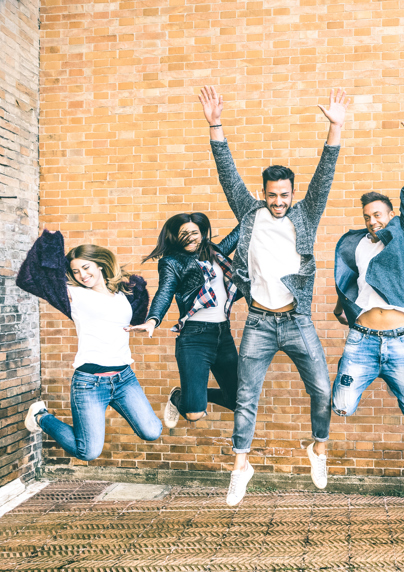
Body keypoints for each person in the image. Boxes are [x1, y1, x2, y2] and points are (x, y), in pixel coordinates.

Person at [200, 85, 349, 504]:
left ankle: (318, 448)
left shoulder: (306, 212)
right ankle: (240, 466)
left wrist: (335, 127)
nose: (278, 201)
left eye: (284, 195)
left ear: (292, 193)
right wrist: (216, 125)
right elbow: (225, 171)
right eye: (272, 195)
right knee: (246, 396)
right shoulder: (250, 214)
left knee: (322, 389)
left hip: (296, 320)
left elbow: (326, 173)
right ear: (263, 193)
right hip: (260, 322)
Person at [18, 229, 162, 460]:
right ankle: (41, 417)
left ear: (100, 265)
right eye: (76, 271)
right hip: (90, 383)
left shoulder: (124, 294)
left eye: (86, 267)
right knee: (88, 452)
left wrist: (146, 324)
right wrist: (51, 245)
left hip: (124, 378)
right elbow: (31, 278)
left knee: (152, 431)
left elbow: (135, 317)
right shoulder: (74, 294)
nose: (82, 275)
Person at [331, 117, 404, 424]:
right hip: (361, 340)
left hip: (401, 341)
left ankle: (390, 374)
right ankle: (372, 370)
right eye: (367, 217)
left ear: (392, 215)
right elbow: (348, 282)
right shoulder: (356, 244)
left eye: (378, 215)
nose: (373, 221)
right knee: (341, 408)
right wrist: (342, 306)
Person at [129, 213, 242, 428]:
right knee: (193, 414)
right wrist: (153, 319)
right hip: (194, 338)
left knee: (237, 401)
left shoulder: (213, 251)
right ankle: (180, 398)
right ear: (174, 237)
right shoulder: (171, 262)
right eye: (184, 234)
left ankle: (192, 394)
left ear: (201, 234)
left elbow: (239, 233)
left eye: (194, 233)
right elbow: (165, 291)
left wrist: (255, 209)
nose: (190, 238)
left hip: (222, 335)